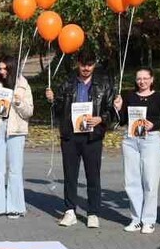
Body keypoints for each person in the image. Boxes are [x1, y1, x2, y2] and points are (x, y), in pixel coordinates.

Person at [46, 51, 116, 228]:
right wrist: (53, 100)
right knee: (70, 175)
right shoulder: (68, 82)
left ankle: (93, 213)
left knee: (93, 175)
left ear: (94, 64)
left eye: (90, 64)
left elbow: (110, 110)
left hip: (93, 137)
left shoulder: (104, 84)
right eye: (83, 64)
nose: (86, 68)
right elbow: (58, 110)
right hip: (70, 135)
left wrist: (101, 119)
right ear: (78, 63)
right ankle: (70, 211)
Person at [112, 66, 160, 233]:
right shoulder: (129, 96)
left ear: (152, 79)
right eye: (139, 78)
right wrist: (118, 108)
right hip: (131, 140)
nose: (142, 81)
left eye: (145, 78)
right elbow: (123, 121)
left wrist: (154, 125)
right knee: (131, 181)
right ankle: (136, 218)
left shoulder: (159, 97)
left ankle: (149, 219)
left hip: (150, 140)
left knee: (150, 181)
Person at [0, 56, 34, 218]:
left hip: (16, 129)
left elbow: (29, 111)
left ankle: (15, 207)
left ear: (12, 68)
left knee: (15, 169)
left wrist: (18, 102)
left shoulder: (23, 84)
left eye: (5, 69)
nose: (2, 72)